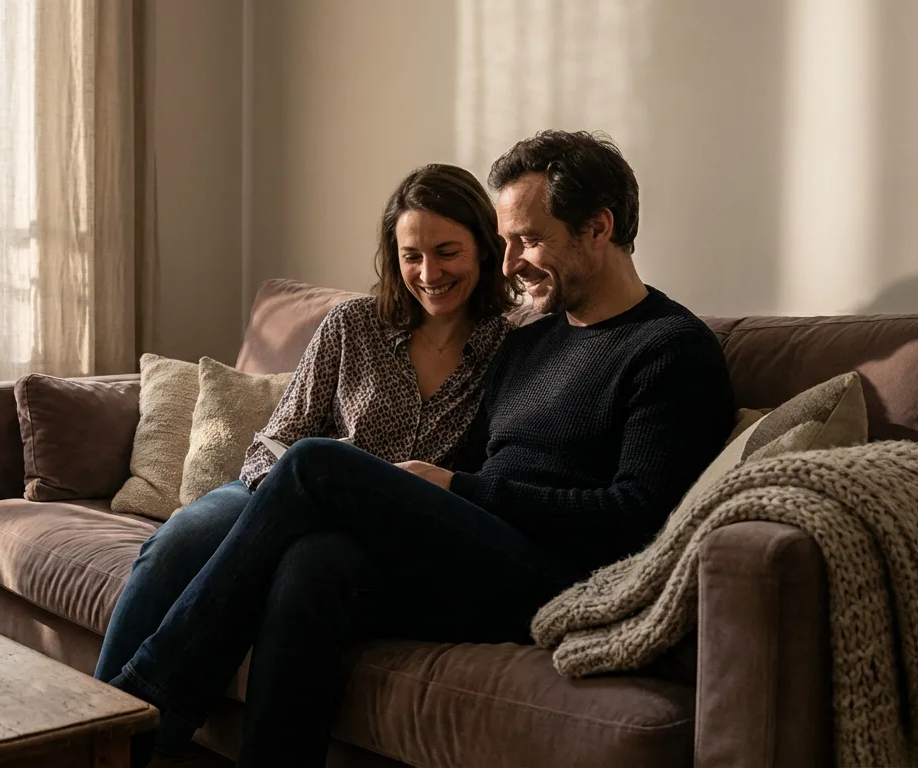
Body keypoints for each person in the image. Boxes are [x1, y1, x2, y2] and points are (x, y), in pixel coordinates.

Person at [107, 131, 737, 766]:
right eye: (508, 241)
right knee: (312, 564)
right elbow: (482, 463)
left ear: (598, 228)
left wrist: (456, 489)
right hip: (476, 548)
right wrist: (443, 495)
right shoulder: (531, 343)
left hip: (556, 574)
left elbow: (635, 520)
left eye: (529, 239)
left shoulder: (670, 350)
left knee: (316, 463)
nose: (511, 262)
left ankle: (135, 708)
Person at [95, 163, 521, 764]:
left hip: (380, 535)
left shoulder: (512, 349)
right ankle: (95, 729)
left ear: (483, 243)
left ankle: (127, 737)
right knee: (180, 540)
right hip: (279, 494)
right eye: (411, 256)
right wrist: (286, 500)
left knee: (306, 563)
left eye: (447, 251)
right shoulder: (353, 325)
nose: (429, 274)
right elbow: (276, 440)